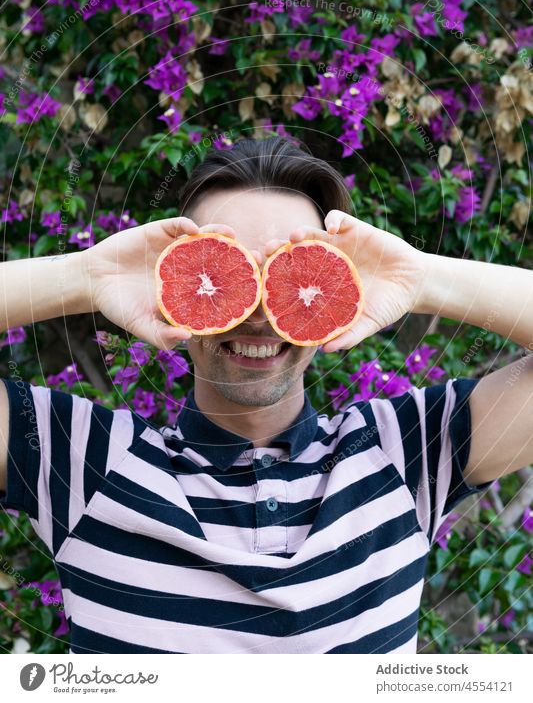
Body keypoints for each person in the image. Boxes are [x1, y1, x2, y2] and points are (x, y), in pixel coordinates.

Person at [0, 136, 531, 654]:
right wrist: (88, 275)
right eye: (228, 268)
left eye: (285, 269)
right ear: (178, 284)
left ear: (333, 285)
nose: (258, 310)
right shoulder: (81, 459)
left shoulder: (405, 453)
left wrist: (421, 277)